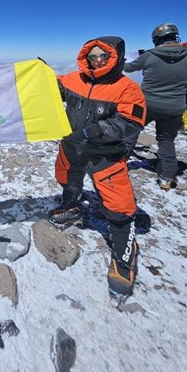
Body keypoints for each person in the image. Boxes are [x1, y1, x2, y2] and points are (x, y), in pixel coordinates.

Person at [48, 36, 147, 297]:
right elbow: (53, 88)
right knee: (67, 177)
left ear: (115, 58)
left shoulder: (127, 88)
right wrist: (41, 74)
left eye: (103, 56)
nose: (97, 60)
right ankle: (72, 206)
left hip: (106, 153)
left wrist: (94, 131)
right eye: (92, 56)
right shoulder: (73, 79)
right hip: (72, 145)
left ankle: (124, 253)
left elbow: (131, 121)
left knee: (118, 205)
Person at [124, 23, 187, 189]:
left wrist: (120, 60)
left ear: (156, 40)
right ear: (176, 37)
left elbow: (129, 68)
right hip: (174, 107)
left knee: (131, 132)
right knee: (166, 140)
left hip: (147, 104)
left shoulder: (149, 55)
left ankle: (118, 164)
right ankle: (166, 178)